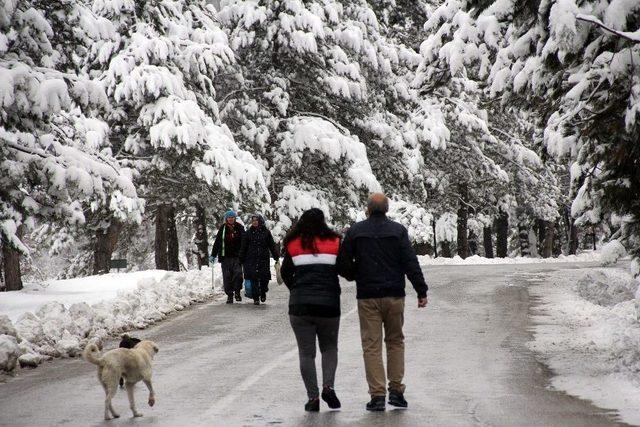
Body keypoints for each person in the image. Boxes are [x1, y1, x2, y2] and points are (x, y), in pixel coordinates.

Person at [338, 193, 428, 412]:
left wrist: (356, 275)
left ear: (368, 209)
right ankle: (396, 391)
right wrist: (421, 290)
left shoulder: (356, 231)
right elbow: (410, 262)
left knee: (372, 345)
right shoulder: (398, 231)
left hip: (368, 295)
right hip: (394, 295)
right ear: (387, 210)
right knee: (395, 341)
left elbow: (342, 261)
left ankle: (377, 395)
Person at [280, 208, 342, 412]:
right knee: (329, 348)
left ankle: (313, 398)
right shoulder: (335, 242)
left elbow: (286, 273)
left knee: (306, 354)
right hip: (329, 305)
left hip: (300, 308)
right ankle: (328, 386)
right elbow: (343, 269)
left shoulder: (293, 244)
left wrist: (297, 290)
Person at [239, 214, 279, 305]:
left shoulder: (266, 232)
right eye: (253, 221)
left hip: (263, 259)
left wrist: (276, 256)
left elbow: (272, 245)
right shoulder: (248, 233)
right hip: (251, 259)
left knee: (264, 279)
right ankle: (256, 297)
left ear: (260, 221)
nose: (254, 222)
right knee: (254, 279)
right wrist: (241, 258)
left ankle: (263, 292)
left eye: (256, 220)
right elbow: (243, 247)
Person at [211, 210, 245, 304]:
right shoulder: (223, 228)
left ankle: (237, 292)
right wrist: (213, 255)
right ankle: (230, 295)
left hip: (237, 257)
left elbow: (245, 242)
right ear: (226, 219)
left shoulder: (240, 228)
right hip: (225, 257)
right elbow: (217, 242)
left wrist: (245, 253)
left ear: (235, 218)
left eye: (232, 217)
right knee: (227, 277)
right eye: (229, 217)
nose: (230, 219)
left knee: (238, 275)